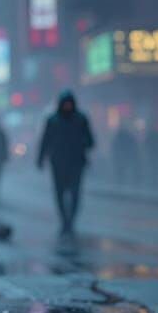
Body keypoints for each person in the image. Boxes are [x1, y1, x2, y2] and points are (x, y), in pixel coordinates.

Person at [37, 90, 94, 233]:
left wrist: (81, 143)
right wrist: (41, 158)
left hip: (76, 163)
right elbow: (45, 141)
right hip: (58, 163)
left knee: (75, 193)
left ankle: (71, 219)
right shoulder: (52, 121)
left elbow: (90, 140)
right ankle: (64, 219)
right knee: (59, 193)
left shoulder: (81, 119)